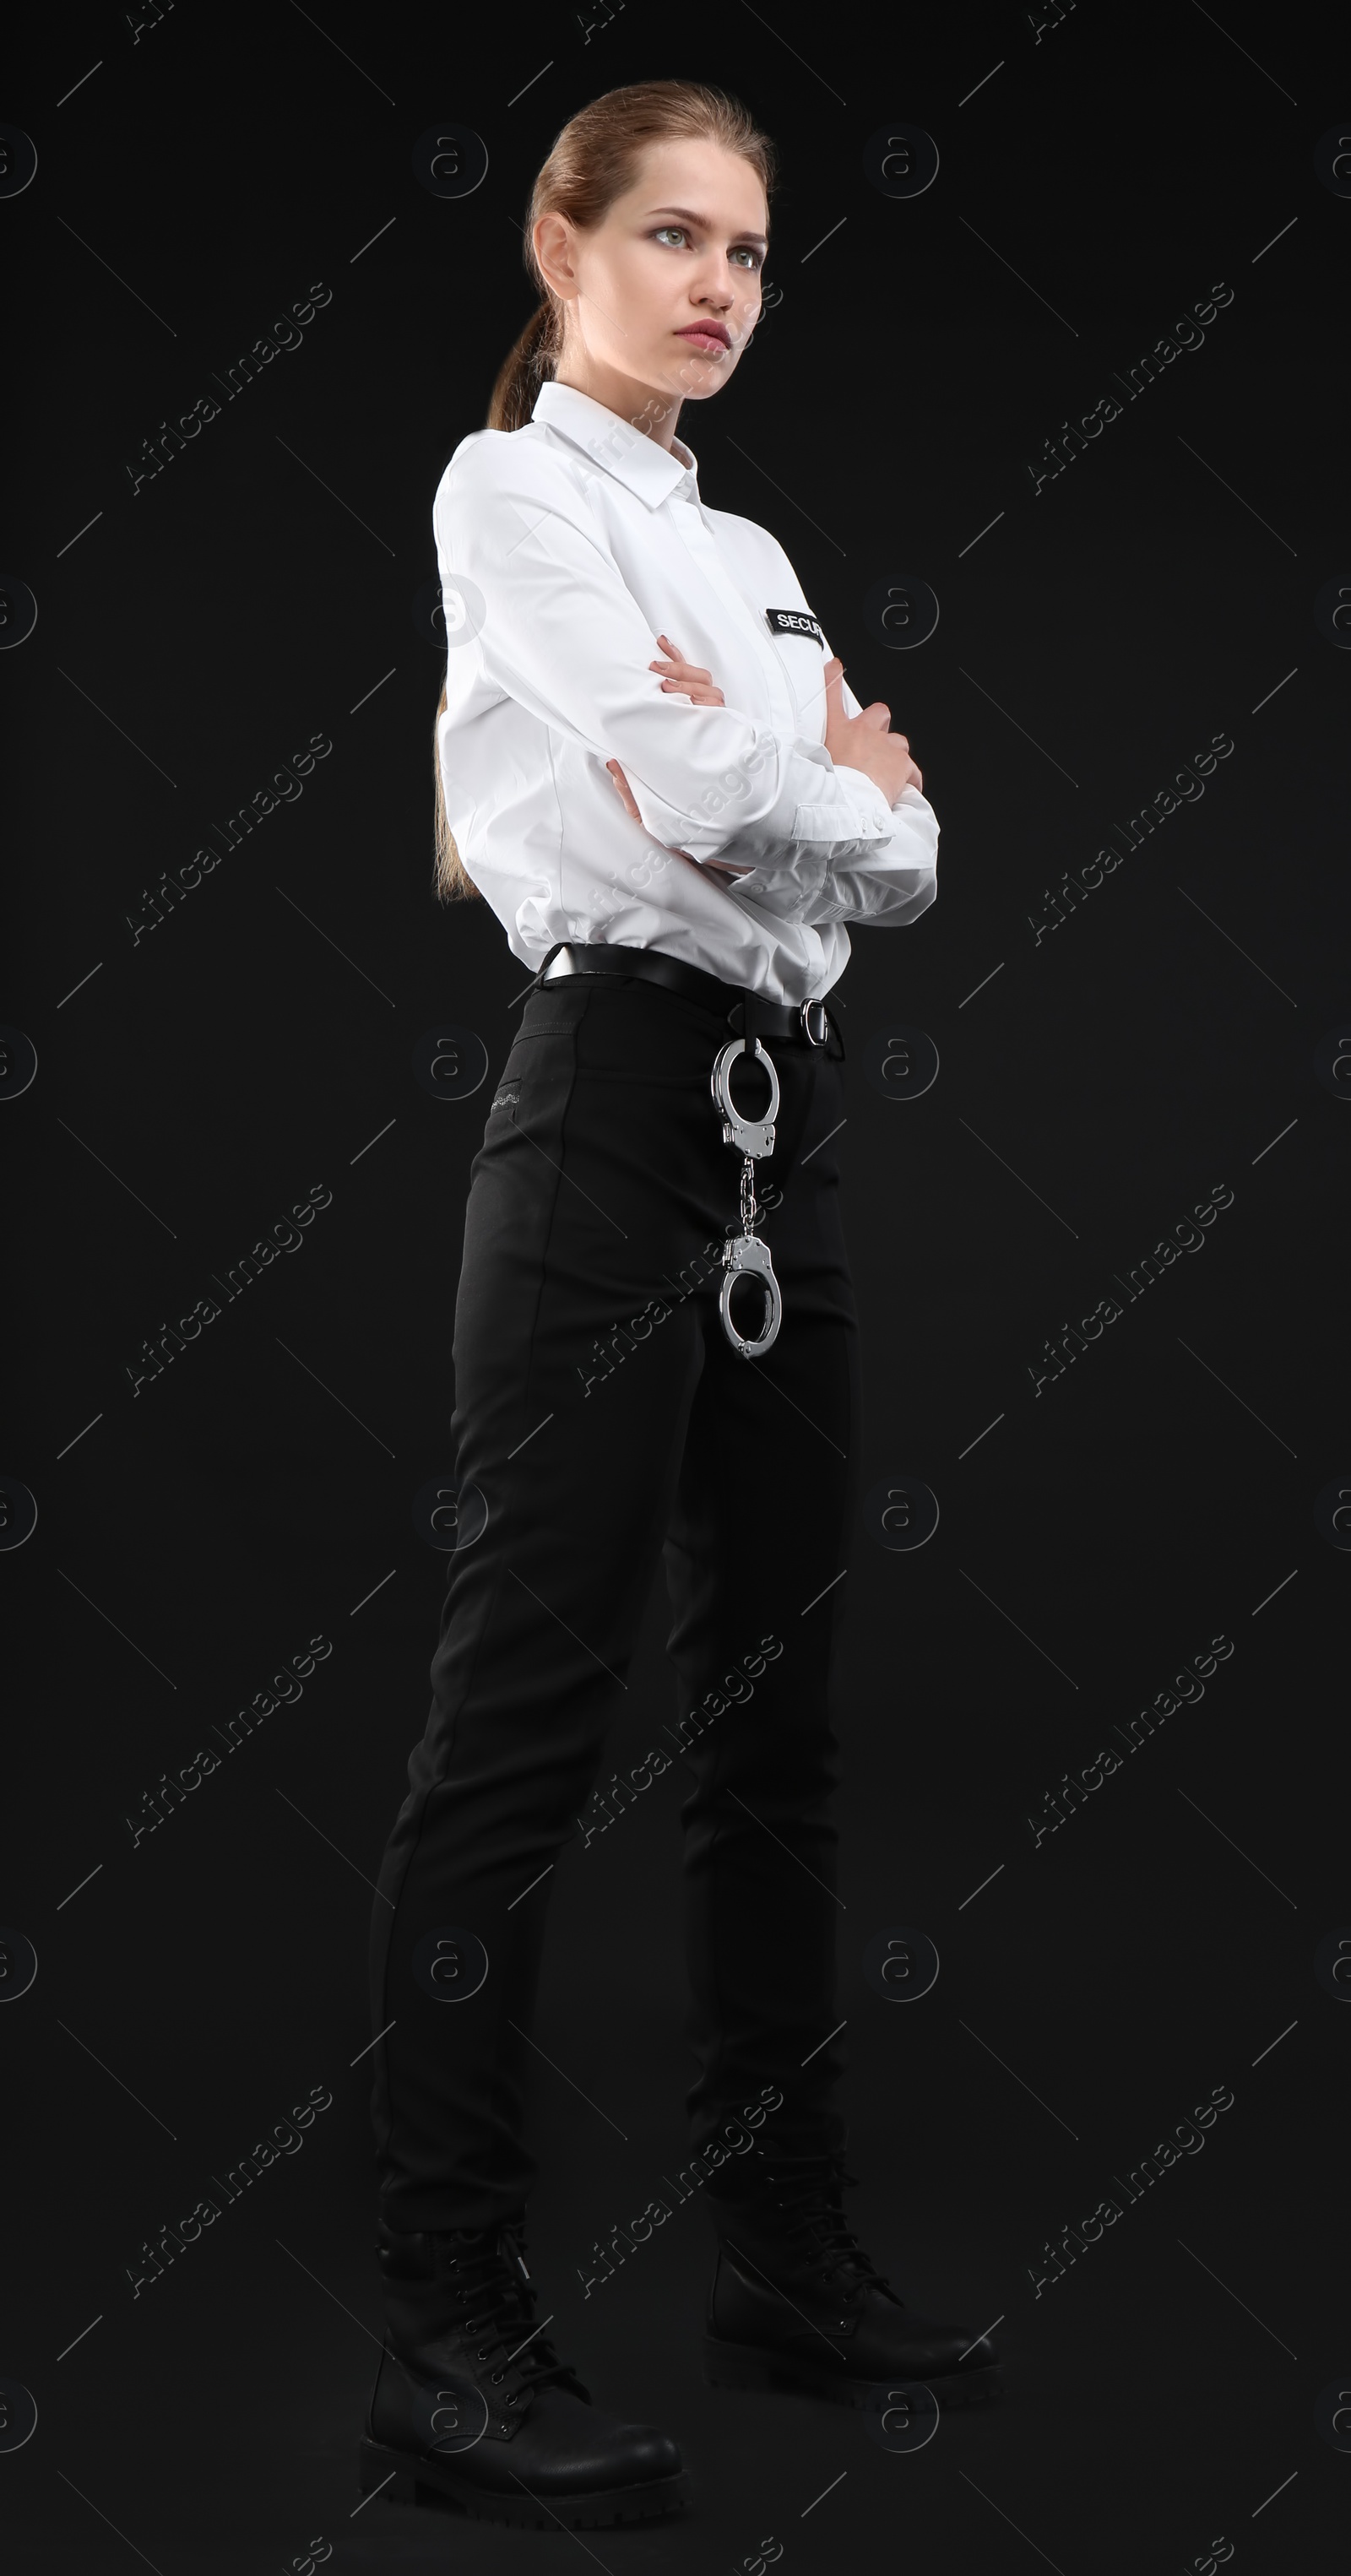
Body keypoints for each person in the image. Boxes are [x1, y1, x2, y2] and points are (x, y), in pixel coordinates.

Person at [359, 77, 1001, 2534]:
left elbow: (896, 863)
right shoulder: (506, 488)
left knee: (777, 1721)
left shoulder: (744, 542)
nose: (718, 282)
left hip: (779, 1127)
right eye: (671, 234)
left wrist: (814, 789)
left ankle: (782, 2258)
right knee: (520, 1724)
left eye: (748, 248)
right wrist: (820, 778)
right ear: (561, 239)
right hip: (611, 1116)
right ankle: (446, 2326)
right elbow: (708, 790)